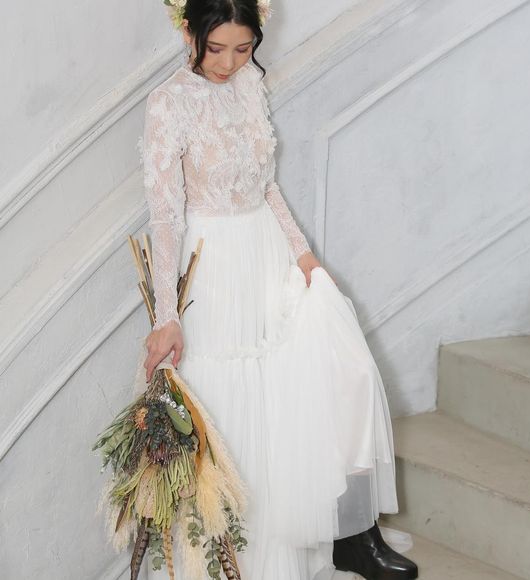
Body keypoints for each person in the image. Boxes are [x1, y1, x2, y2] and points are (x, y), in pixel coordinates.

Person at [140, 0, 419, 578]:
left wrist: (305, 258)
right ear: (189, 32)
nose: (229, 63)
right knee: (234, 404)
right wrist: (167, 314)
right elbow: (165, 215)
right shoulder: (168, 102)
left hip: (266, 252)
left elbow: (266, 186)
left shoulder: (249, 84)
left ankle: (345, 536)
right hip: (214, 270)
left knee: (327, 377)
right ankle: (236, 560)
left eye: (244, 49)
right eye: (217, 48)